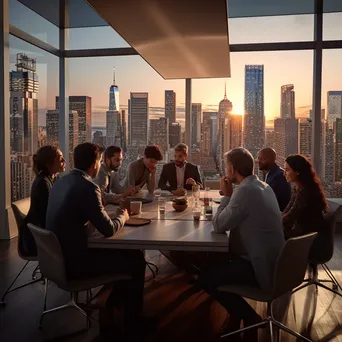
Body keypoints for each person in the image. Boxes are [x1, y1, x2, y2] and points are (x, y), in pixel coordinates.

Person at [45, 143, 147, 338]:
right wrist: (122, 217)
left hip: (56, 259)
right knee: (136, 261)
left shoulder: (60, 181)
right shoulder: (88, 187)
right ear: (94, 164)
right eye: (100, 161)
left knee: (129, 255)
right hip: (75, 264)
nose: (100, 165)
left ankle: (110, 305)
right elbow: (108, 229)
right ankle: (132, 322)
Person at [198, 148, 285, 337]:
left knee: (205, 276)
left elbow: (219, 224)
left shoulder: (244, 191)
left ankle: (248, 316)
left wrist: (227, 195)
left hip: (260, 268)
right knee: (217, 262)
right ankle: (236, 315)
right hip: (277, 264)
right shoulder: (263, 186)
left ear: (233, 168)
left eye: (227, 166)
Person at [21, 145, 66, 256]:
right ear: (48, 163)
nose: (64, 161)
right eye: (60, 159)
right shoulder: (43, 184)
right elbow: (48, 216)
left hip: (41, 235)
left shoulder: (53, 178)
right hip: (39, 240)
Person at [282, 154, 327, 239]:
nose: (284, 173)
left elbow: (290, 216)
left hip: (306, 238)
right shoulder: (298, 188)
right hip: (304, 234)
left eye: (287, 170)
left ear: (297, 171)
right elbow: (288, 210)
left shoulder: (306, 192)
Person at [258, 147, 291, 211]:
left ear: (271, 160)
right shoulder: (269, 173)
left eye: (263, 159)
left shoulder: (279, 176)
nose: (259, 162)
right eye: (259, 158)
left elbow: (273, 201)